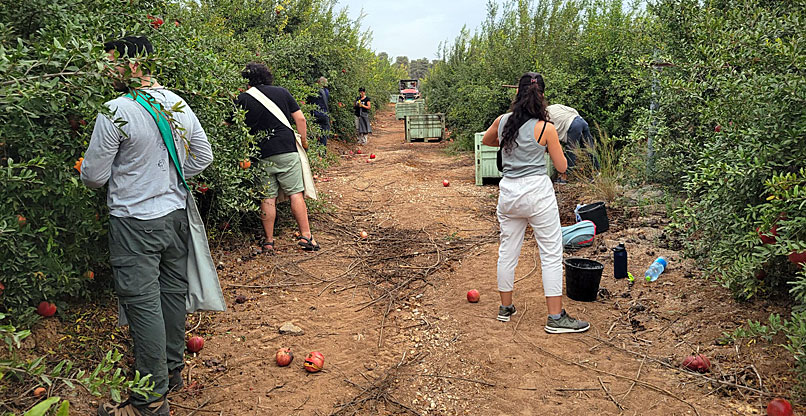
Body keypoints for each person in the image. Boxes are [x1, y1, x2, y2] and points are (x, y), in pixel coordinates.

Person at [81, 36, 214, 416]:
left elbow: (92, 176)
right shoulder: (176, 103)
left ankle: (150, 401)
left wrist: (139, 183)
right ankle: (171, 371)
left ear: (133, 66)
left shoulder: (115, 110)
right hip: (174, 217)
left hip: (134, 223)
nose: (106, 70)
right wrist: (168, 180)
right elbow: (202, 155)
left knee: (143, 306)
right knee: (171, 295)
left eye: (111, 62)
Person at [482, 72, 590, 333]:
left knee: (508, 251)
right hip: (538, 195)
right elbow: (562, 167)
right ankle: (555, 318)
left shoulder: (503, 121)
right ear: (542, 96)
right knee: (551, 253)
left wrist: (510, 142)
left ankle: (505, 308)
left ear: (517, 94)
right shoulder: (546, 128)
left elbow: (487, 140)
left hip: (509, 194)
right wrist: (544, 146)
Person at [233, 62, 319, 253]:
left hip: (261, 155)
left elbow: (229, 124)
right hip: (286, 150)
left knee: (267, 197)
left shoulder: (243, 99)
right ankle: (306, 236)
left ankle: (269, 241)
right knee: (296, 193)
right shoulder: (282, 92)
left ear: (247, 81)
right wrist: (304, 141)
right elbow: (301, 119)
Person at [546, 103, 597, 183]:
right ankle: (596, 173)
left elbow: (549, 134)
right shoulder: (555, 106)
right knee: (589, 148)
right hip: (581, 121)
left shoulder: (544, 116)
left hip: (573, 125)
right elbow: (573, 110)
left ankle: (565, 178)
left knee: (570, 151)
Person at [310, 76, 330, 148]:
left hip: (315, 115)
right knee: (323, 134)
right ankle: (322, 153)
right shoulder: (326, 92)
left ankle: (314, 150)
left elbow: (310, 101)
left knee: (313, 133)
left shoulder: (314, 91)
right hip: (324, 115)